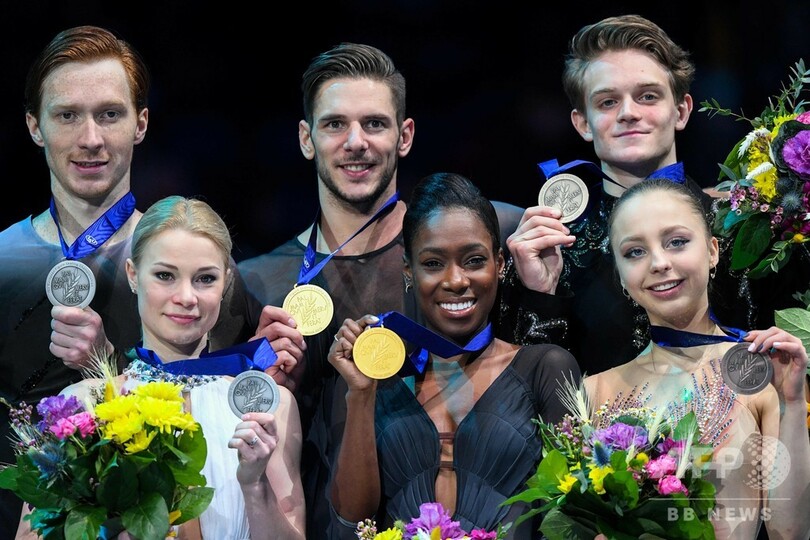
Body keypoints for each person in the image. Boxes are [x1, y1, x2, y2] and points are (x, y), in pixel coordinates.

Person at [0, 26, 300, 538]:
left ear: (140, 123)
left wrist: (286, 364)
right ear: (34, 126)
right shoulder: (4, 260)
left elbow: (225, 411)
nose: (90, 139)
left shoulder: (196, 264)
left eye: (109, 114)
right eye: (67, 115)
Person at [236, 42, 525, 534]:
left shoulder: (486, 242)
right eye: (334, 124)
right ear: (306, 138)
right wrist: (261, 385)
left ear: (404, 135)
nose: (356, 142)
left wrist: (542, 289)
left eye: (374, 123)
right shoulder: (259, 281)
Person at [499, 14, 808, 377]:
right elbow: (535, 391)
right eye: (608, 102)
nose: (629, 113)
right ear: (583, 123)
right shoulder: (553, 248)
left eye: (647, 96)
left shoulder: (748, 226)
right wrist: (540, 296)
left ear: (681, 111)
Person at [16, 196, 306, 539]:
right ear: (133, 275)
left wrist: (256, 487)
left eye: (205, 279)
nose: (186, 297)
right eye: (165, 275)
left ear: (226, 281)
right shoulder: (80, 407)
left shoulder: (270, 407)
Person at [324, 172, 581, 539]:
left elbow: (573, 514)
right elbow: (352, 521)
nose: (456, 280)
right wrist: (361, 393)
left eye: (474, 261)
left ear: (500, 263)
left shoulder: (544, 368)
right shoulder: (375, 382)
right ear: (409, 269)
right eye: (433, 263)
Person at [585, 179, 810, 539]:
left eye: (677, 242)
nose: (659, 263)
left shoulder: (764, 375)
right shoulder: (594, 391)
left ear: (713, 251)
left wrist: (792, 402)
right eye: (635, 252)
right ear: (621, 276)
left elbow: (791, 532)